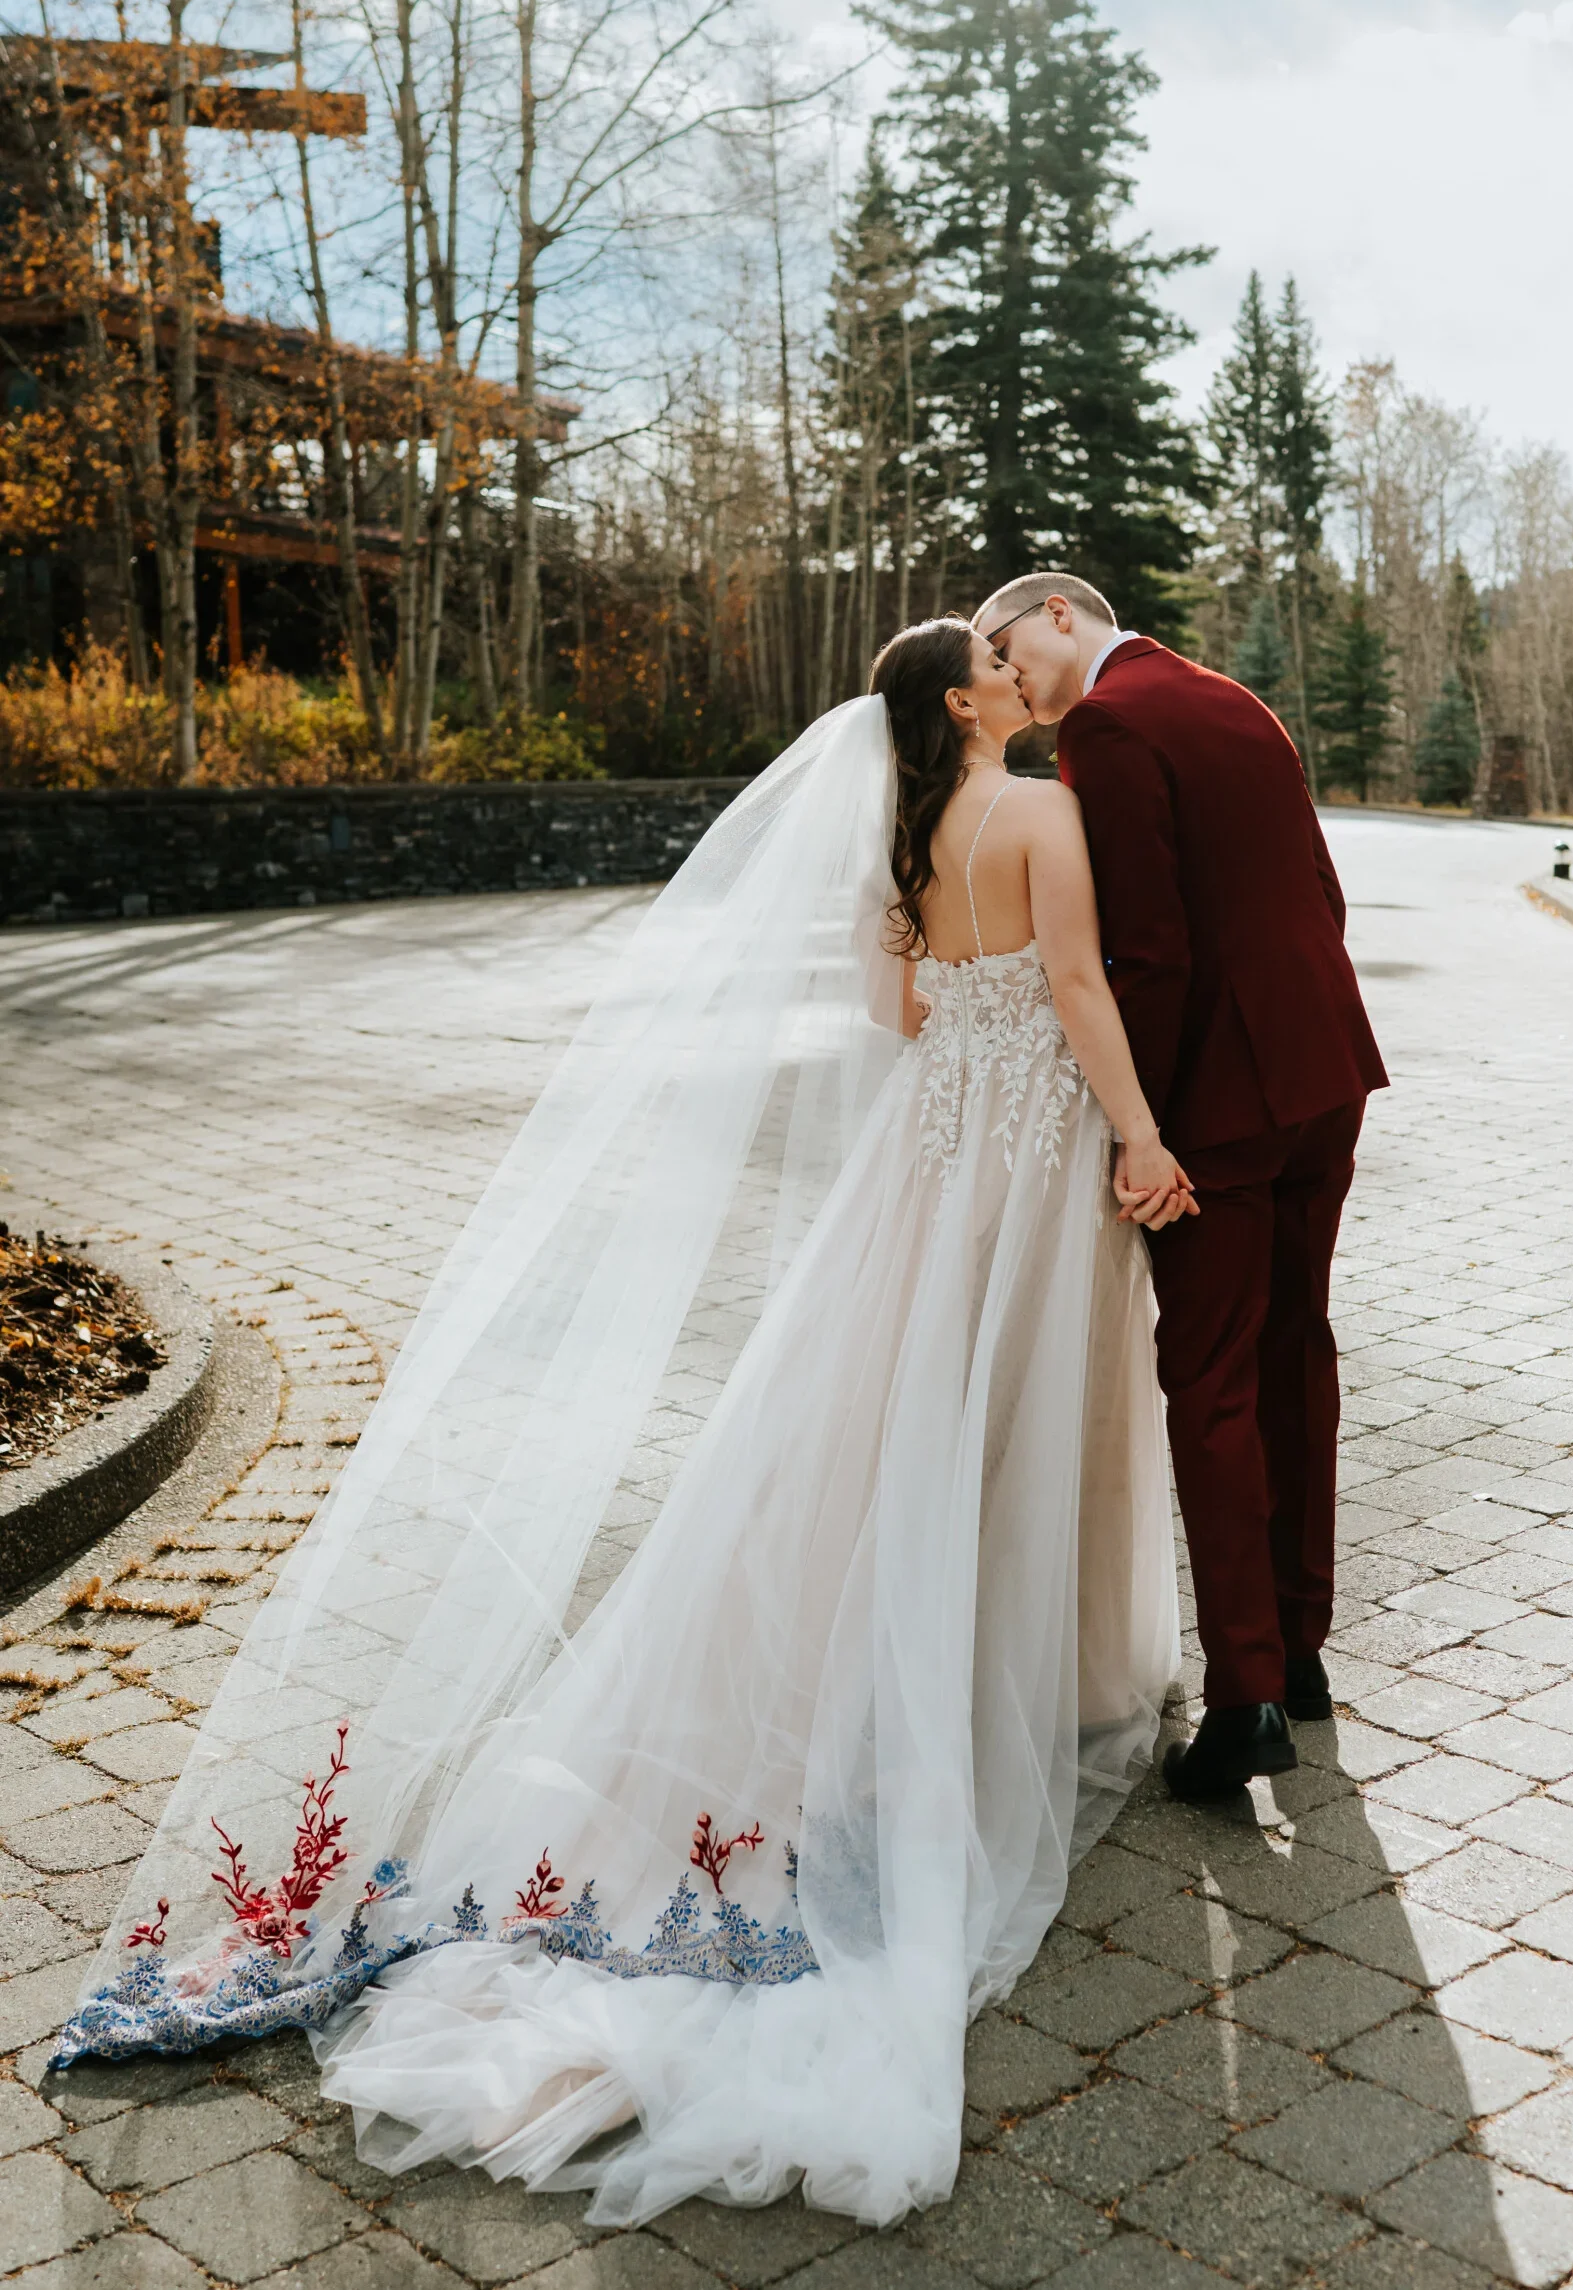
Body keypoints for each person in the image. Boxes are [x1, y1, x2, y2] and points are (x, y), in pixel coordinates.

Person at [56, 620, 1183, 2235]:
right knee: (985, 1444)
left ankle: (868, 1699)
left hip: (926, 1174)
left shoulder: (909, 834)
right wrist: (1133, 1135)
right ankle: (989, 1693)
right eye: (995, 665)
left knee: (870, 1451)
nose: (1020, 670)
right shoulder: (1043, 815)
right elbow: (1073, 983)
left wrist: (980, 1039)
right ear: (963, 703)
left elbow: (903, 1020)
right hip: (1023, 1171)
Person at [978, 573, 1387, 1803]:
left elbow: (1146, 952)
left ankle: (1248, 1697)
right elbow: (1323, 893)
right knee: (1294, 1352)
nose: (1011, 686)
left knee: (1208, 1380)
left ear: (1061, 614)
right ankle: (1302, 1652)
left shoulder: (1108, 728)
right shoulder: (1234, 698)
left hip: (1218, 1100)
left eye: (1009, 653)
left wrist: (1132, 1128)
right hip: (1327, 1065)